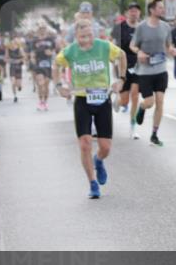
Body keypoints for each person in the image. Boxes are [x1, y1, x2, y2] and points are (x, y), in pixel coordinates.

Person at [52, 20, 126, 199]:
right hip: (82, 101)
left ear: (94, 34)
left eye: (89, 36)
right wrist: (59, 85)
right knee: (85, 144)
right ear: (76, 36)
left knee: (105, 147)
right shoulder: (70, 51)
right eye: (82, 37)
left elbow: (122, 55)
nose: (86, 41)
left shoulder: (104, 46)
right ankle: (92, 183)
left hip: (102, 100)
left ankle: (98, 160)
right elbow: (56, 65)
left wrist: (121, 79)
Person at [130, 0, 175, 146]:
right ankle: (142, 108)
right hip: (145, 71)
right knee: (150, 102)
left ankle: (154, 134)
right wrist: (139, 53)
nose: (163, 10)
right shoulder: (141, 27)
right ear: (152, 10)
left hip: (161, 69)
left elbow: (168, 46)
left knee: (160, 102)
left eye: (163, 7)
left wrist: (172, 50)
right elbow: (133, 45)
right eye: (160, 7)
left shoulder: (166, 27)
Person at [111, 2, 142, 137]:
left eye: (136, 10)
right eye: (131, 11)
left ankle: (133, 126)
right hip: (123, 65)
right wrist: (114, 61)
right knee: (125, 101)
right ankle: (117, 101)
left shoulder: (143, 28)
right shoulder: (119, 27)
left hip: (139, 65)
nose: (133, 13)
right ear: (127, 13)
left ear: (139, 13)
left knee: (135, 95)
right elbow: (111, 44)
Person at [30, 24, 58, 111]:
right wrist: (33, 60)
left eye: (43, 29)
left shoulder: (51, 40)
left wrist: (51, 53)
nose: (42, 30)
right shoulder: (35, 40)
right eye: (40, 29)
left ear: (46, 30)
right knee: (40, 84)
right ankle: (40, 102)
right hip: (38, 64)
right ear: (38, 30)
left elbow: (55, 51)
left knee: (46, 85)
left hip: (48, 64)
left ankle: (45, 102)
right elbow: (32, 52)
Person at [6, 35, 26, 102]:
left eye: (15, 42)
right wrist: (10, 60)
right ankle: (15, 96)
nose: (13, 44)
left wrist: (20, 60)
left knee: (18, 84)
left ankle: (19, 86)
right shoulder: (8, 49)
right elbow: (6, 58)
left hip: (18, 67)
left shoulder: (20, 49)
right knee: (13, 82)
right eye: (12, 42)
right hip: (12, 67)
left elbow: (24, 57)